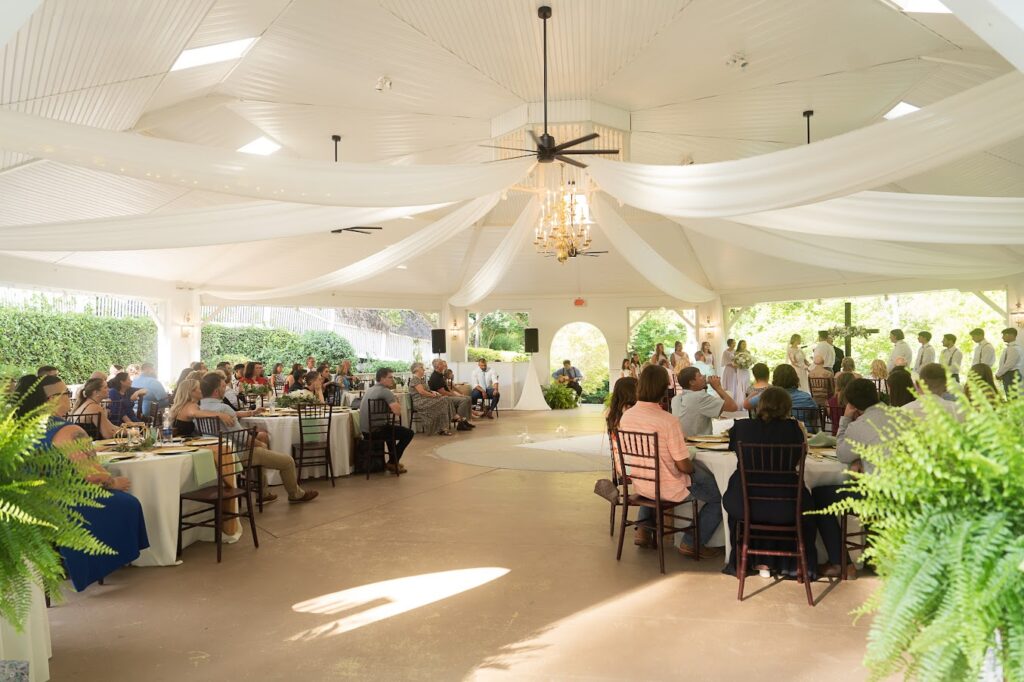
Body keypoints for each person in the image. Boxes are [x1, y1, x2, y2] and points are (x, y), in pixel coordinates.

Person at [14, 374, 149, 591]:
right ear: (52, 400)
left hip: (31, 504)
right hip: (68, 503)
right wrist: (114, 482)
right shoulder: (67, 430)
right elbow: (91, 475)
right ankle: (101, 560)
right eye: (66, 393)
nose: (69, 397)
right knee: (128, 503)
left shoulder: (19, 430)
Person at [617, 366, 723, 558]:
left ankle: (643, 529)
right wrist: (690, 468)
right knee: (719, 494)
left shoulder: (627, 416)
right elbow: (683, 466)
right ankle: (692, 542)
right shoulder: (667, 421)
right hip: (667, 488)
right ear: (664, 388)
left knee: (656, 473)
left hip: (641, 483)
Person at [722, 386, 817, 578]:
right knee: (809, 511)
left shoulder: (741, 427)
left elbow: (735, 452)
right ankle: (793, 564)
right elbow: (799, 459)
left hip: (745, 503)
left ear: (761, 405)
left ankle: (742, 561)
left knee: (734, 501)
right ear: (787, 408)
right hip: (788, 505)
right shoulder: (795, 430)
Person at [810, 379, 890, 578]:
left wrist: (845, 420)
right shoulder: (901, 416)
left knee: (820, 497)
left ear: (852, 404)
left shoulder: (859, 426)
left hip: (875, 495)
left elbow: (843, 455)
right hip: (906, 492)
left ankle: (841, 563)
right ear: (877, 395)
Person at [197, 373, 318, 503]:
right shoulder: (223, 408)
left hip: (217, 455)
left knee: (260, 453)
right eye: (223, 386)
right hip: (237, 454)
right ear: (216, 391)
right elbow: (242, 438)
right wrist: (260, 444)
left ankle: (264, 493)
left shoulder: (199, 408)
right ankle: (295, 495)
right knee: (287, 462)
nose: (225, 388)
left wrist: (251, 413)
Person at [359, 367, 414, 473]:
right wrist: (396, 402)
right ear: (382, 378)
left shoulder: (370, 389)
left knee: (390, 430)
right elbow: (397, 412)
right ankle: (392, 462)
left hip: (365, 431)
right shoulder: (386, 391)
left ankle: (394, 462)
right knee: (409, 433)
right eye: (390, 377)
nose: (392, 380)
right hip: (376, 431)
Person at [672, 366, 738, 437]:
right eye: (700, 376)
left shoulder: (675, 399)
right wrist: (718, 387)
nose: (704, 376)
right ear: (692, 382)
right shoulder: (699, 397)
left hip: (682, 442)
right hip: (698, 443)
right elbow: (733, 406)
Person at [748, 364, 818, 428]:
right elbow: (815, 416)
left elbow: (748, 405)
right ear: (795, 378)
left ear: (775, 378)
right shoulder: (806, 397)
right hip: (804, 433)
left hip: (775, 433)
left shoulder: (768, 396)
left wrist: (753, 394)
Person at [167, 377, 235, 437]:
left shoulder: (182, 405)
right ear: (191, 392)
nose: (201, 391)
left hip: (178, 441)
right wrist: (220, 415)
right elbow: (194, 413)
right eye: (199, 388)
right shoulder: (191, 405)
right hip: (185, 445)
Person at [409, 361, 458, 436]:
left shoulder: (421, 380)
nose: (424, 369)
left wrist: (433, 392)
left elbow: (426, 390)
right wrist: (433, 395)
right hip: (420, 402)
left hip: (426, 399)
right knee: (444, 400)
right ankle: (452, 418)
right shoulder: (415, 379)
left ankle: (444, 427)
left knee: (446, 399)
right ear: (416, 370)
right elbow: (422, 392)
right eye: (422, 368)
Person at [826, 371, 858, 436]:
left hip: (835, 434)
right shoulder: (855, 402)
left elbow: (830, 418)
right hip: (853, 436)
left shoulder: (829, 402)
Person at [995, 327, 1023, 394]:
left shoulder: (1013, 348)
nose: (1002, 337)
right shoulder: (1011, 348)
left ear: (1011, 335)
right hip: (1010, 374)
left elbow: (1009, 365)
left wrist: (999, 374)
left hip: (1011, 375)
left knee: (1012, 397)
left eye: (1004, 335)